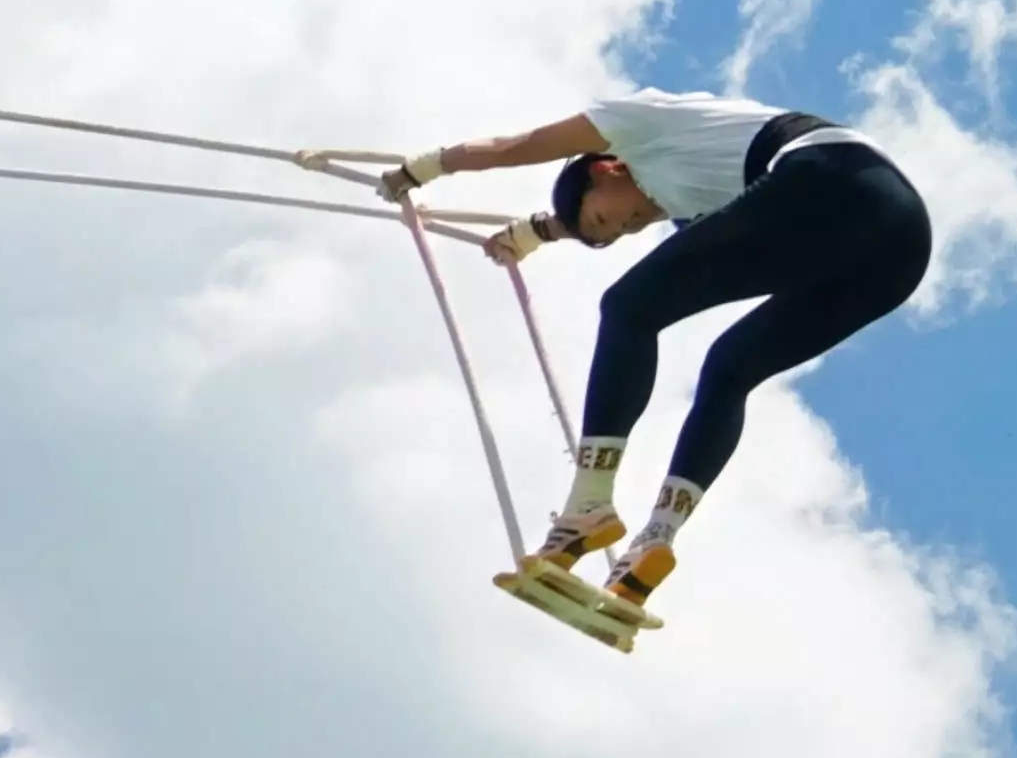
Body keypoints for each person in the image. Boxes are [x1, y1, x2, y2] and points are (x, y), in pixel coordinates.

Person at [378, 91, 933, 626]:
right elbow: (594, 219)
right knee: (730, 367)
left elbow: (514, 146)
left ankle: (587, 505)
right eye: (619, 231)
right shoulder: (696, 195)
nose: (626, 226)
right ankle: (655, 540)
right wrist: (536, 232)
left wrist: (424, 168)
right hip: (899, 246)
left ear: (605, 168)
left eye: (607, 219)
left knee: (627, 307)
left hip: (829, 176)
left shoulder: (636, 123)